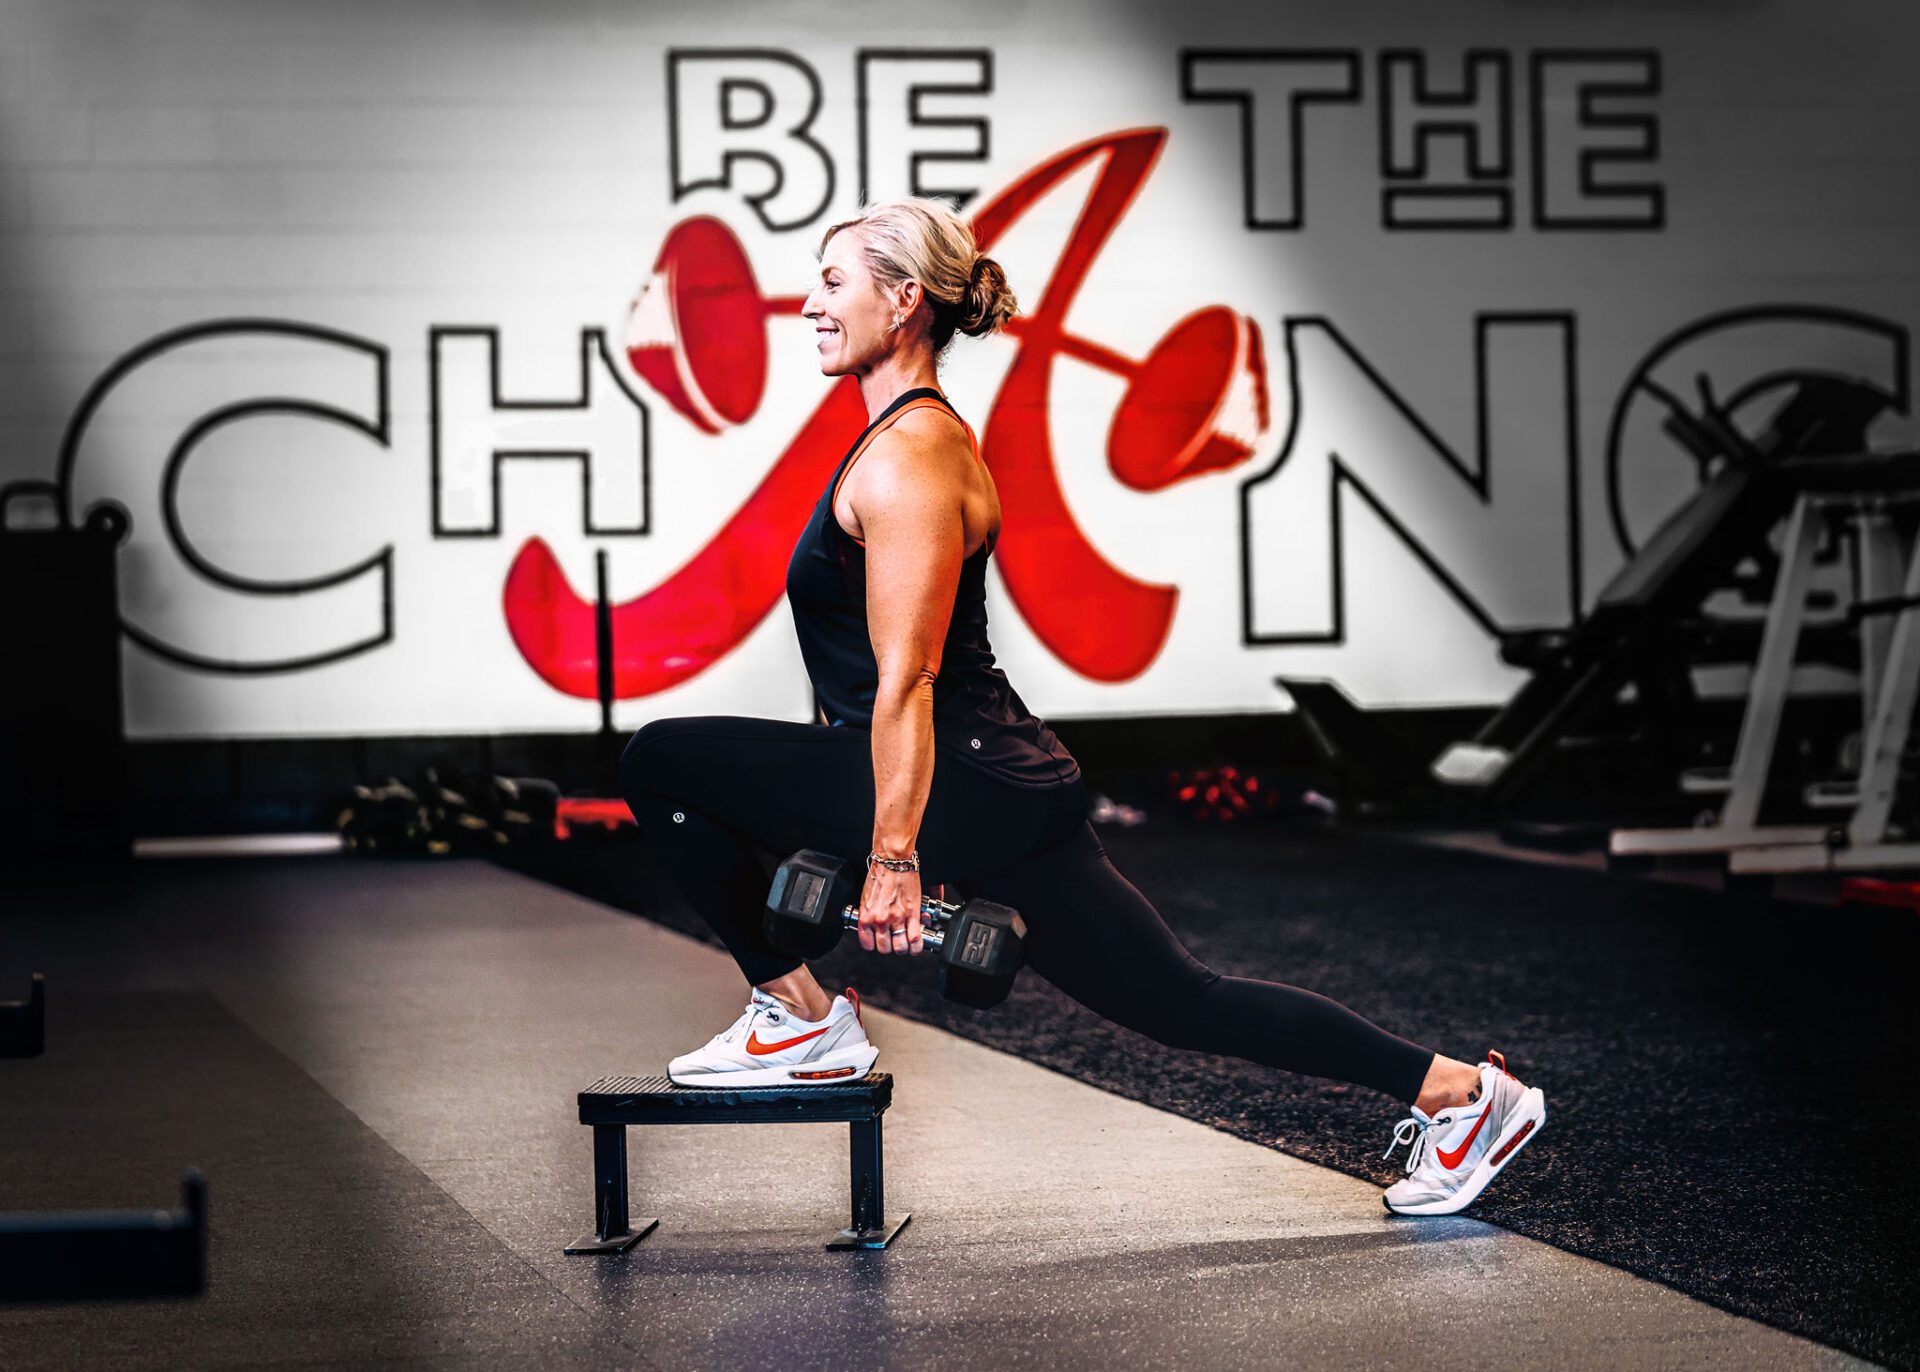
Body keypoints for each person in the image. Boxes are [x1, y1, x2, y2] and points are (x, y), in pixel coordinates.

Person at [618, 197, 1545, 1216]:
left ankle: (795, 1015)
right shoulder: (898, 441)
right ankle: (1464, 1093)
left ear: (904, 298)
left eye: (834, 283)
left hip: (960, 779)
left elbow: (910, 678)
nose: (809, 306)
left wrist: (888, 859)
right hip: (989, 781)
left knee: (662, 760)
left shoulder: (914, 458)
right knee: (1180, 1002)